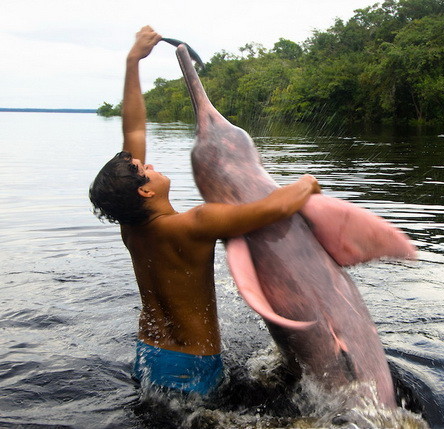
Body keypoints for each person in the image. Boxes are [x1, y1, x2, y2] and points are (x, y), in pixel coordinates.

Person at [89, 26, 321, 396]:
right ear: (145, 191)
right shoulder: (195, 224)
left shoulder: (131, 226)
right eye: (144, 169)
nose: (150, 164)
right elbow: (274, 208)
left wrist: (134, 61)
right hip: (193, 366)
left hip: (148, 354)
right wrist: (306, 184)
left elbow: (134, 132)